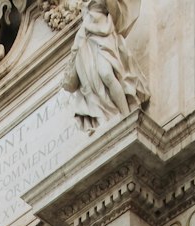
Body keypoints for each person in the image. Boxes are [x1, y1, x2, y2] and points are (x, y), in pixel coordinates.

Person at [62, 0, 148, 135]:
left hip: (102, 32)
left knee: (106, 74)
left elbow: (116, 10)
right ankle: (102, 120)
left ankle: (126, 115)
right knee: (89, 84)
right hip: (84, 38)